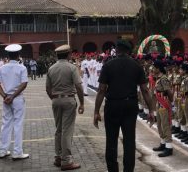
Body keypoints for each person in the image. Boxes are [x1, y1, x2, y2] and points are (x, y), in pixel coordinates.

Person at [94, 39, 155, 172]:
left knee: (111, 141)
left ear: (117, 50)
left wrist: (96, 111)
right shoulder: (136, 66)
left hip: (112, 105)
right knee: (129, 141)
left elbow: (102, 90)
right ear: (128, 51)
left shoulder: (108, 65)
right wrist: (151, 110)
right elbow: (145, 90)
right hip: (129, 106)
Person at [46, 44, 85, 171]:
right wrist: (82, 103)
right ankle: (66, 160)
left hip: (56, 100)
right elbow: (79, 86)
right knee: (67, 130)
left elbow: (48, 88)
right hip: (68, 99)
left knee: (59, 129)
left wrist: (54, 98)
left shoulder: (51, 68)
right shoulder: (71, 67)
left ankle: (58, 156)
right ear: (68, 54)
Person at [0, 44, 29, 160]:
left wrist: (5, 96)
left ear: (8, 56)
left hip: (6, 99)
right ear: (18, 55)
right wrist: (13, 96)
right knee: (18, 124)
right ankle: (17, 152)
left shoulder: (3, 68)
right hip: (17, 98)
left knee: (6, 124)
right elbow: (24, 84)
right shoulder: (22, 68)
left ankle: (3, 150)